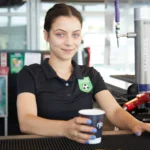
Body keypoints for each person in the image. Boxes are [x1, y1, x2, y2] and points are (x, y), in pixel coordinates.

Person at [17, 3, 150, 144]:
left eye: (75, 35)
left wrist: (135, 124)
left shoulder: (90, 74)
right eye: (60, 34)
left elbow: (115, 111)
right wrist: (65, 128)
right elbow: (26, 121)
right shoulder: (30, 74)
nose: (69, 42)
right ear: (46, 35)